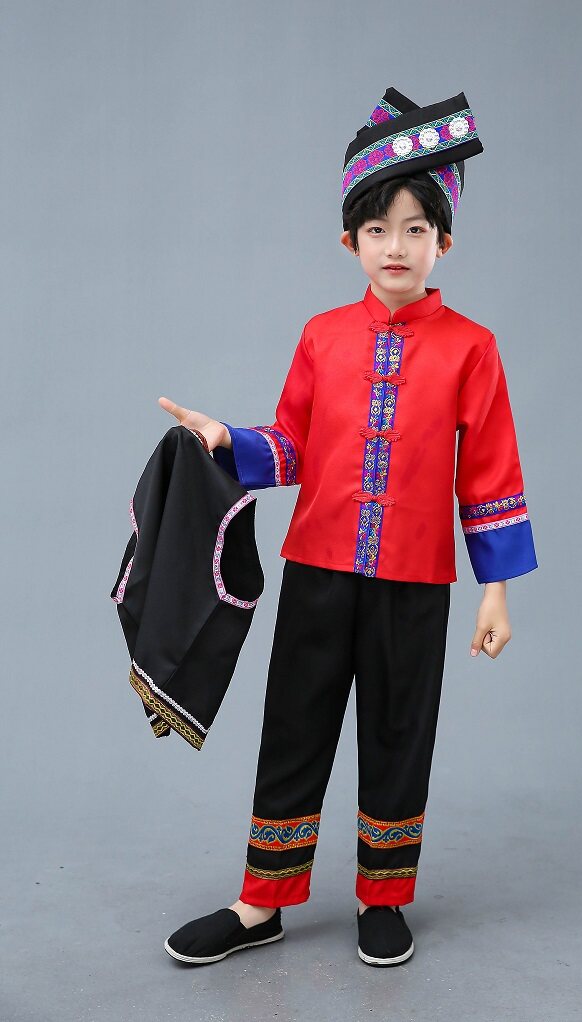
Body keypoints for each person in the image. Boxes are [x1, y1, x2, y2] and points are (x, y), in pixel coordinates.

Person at [158, 87, 538, 968]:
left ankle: (384, 897)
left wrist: (496, 592)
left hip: (416, 580)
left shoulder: (472, 347)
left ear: (444, 243)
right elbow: (293, 443)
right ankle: (261, 900)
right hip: (319, 570)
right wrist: (229, 440)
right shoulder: (322, 337)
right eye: (377, 229)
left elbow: (490, 473)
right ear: (349, 243)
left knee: (400, 730)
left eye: (415, 229)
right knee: (294, 725)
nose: (395, 246)